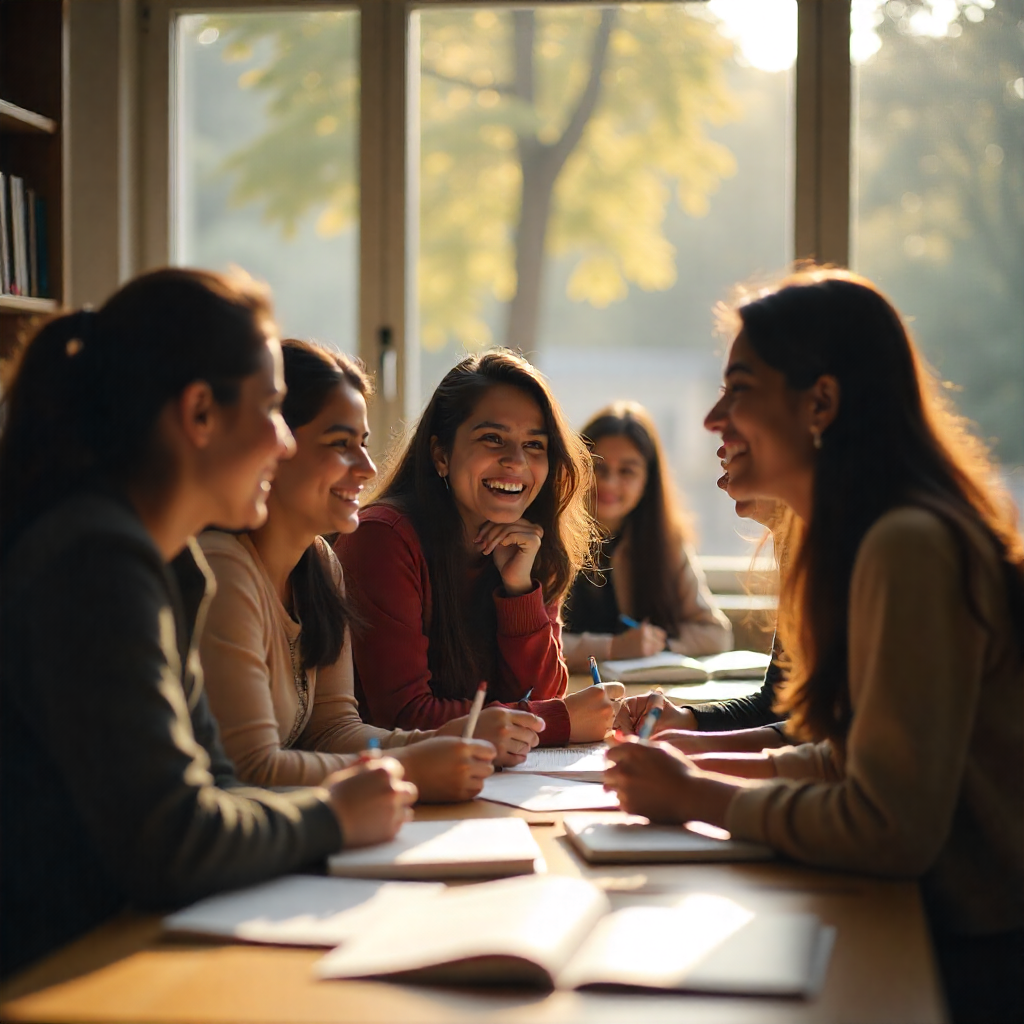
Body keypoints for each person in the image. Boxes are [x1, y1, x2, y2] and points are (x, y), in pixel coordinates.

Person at [603, 268, 1024, 1023]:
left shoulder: (908, 545)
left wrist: (696, 795)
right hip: (928, 923)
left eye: (739, 390)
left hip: (970, 958)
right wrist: (695, 762)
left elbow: (889, 827)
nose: (713, 419)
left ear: (820, 403)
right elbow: (850, 758)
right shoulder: (867, 540)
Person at [0, 270, 416, 980]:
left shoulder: (170, 563)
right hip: (53, 973)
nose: (284, 443)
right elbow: (174, 839)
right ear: (199, 413)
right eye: (274, 409)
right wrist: (333, 818)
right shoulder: (95, 561)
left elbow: (219, 790)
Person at [197, 339, 546, 800]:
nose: (366, 467)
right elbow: (250, 769)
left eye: (362, 444)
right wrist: (413, 766)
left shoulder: (320, 565)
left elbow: (333, 730)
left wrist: (449, 742)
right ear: (274, 446)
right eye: (340, 444)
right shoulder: (222, 568)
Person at [336, 349, 622, 745]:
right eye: (493, 439)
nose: (516, 461)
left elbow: (540, 695)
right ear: (441, 454)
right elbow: (403, 716)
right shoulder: (382, 537)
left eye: (534, 445)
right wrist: (557, 722)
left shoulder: (531, 544)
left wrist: (519, 590)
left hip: (490, 775)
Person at [617, 459, 788, 753]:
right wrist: (687, 719)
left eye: (743, 441)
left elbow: (830, 742)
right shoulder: (797, 549)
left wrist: (695, 751)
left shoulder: (856, 556)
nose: (722, 449)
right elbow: (777, 706)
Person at [562, 402, 732, 671]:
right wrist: (614, 648)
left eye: (627, 471)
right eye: (597, 467)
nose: (608, 483)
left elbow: (715, 633)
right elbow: (530, 644)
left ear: (648, 481)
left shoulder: (666, 543)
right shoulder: (548, 539)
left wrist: (655, 646)